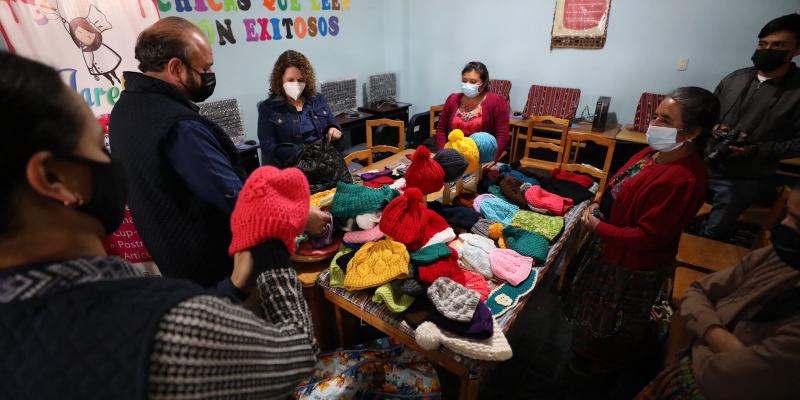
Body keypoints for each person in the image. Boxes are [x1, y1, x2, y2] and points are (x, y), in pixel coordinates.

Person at [0, 51, 318, 399]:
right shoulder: (155, 327)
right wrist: (270, 243)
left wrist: (232, 290)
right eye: (96, 146)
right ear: (54, 178)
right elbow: (296, 354)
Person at [110, 18, 326, 287]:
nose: (211, 74)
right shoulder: (180, 127)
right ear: (176, 68)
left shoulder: (123, 110)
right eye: (206, 68)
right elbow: (236, 197)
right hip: (216, 270)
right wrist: (301, 215)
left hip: (176, 266)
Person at [563, 87, 720, 376]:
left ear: (692, 132)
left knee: (615, 320)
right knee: (595, 310)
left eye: (666, 120)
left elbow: (648, 237)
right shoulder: (654, 153)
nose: (654, 124)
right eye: (656, 116)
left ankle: (601, 371)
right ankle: (585, 351)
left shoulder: (682, 179)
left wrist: (599, 226)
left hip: (631, 264)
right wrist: (600, 200)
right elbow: (618, 180)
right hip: (609, 245)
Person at [637, 184, 800, 400]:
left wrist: (698, 330)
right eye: (788, 214)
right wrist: (723, 340)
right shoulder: (777, 257)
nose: (784, 225)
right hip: (688, 367)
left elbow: (727, 378)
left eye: (798, 222)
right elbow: (696, 290)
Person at [701, 14, 800, 241]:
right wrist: (714, 127)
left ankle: (704, 250)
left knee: (718, 223)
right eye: (763, 44)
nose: (767, 50)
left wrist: (755, 149)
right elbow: (706, 114)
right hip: (708, 161)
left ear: (796, 50)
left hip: (748, 176)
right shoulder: (735, 78)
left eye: (778, 46)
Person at [435, 61, 510, 161]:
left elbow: (502, 134)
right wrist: (442, 153)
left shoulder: (496, 101)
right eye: (464, 80)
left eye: (473, 82)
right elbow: (441, 129)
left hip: (482, 158)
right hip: (453, 156)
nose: (467, 84)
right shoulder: (453, 99)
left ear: (484, 83)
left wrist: (493, 159)